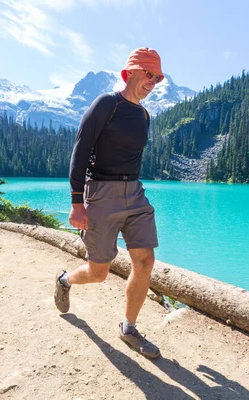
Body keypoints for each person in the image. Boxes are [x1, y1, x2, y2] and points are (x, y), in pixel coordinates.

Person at [54, 47, 165, 359]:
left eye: (157, 77)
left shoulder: (144, 115)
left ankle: (129, 328)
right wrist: (77, 202)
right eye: (148, 74)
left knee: (145, 261)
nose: (153, 81)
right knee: (98, 272)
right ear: (129, 73)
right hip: (101, 192)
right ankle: (64, 280)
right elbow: (80, 150)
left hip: (135, 193)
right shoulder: (107, 104)